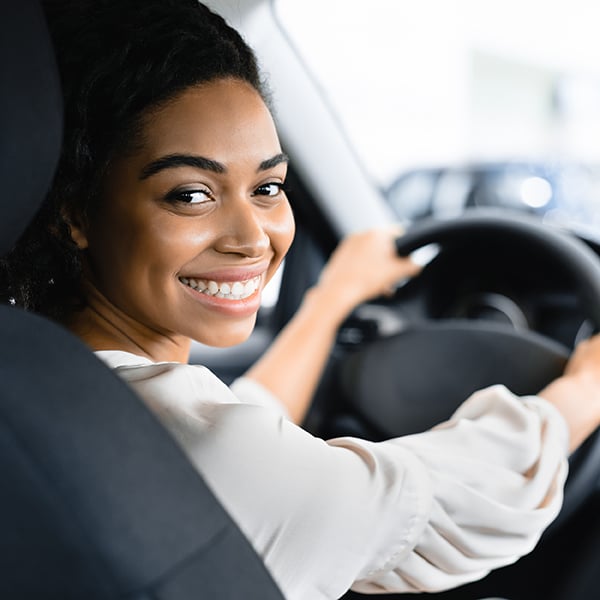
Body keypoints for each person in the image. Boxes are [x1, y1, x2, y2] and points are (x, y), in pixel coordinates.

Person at [2, 0, 600, 598]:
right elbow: (444, 500)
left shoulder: (50, 394)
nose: (253, 237)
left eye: (267, 186)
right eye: (190, 194)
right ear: (75, 212)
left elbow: (240, 429)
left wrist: (328, 302)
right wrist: (580, 392)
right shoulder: (209, 455)